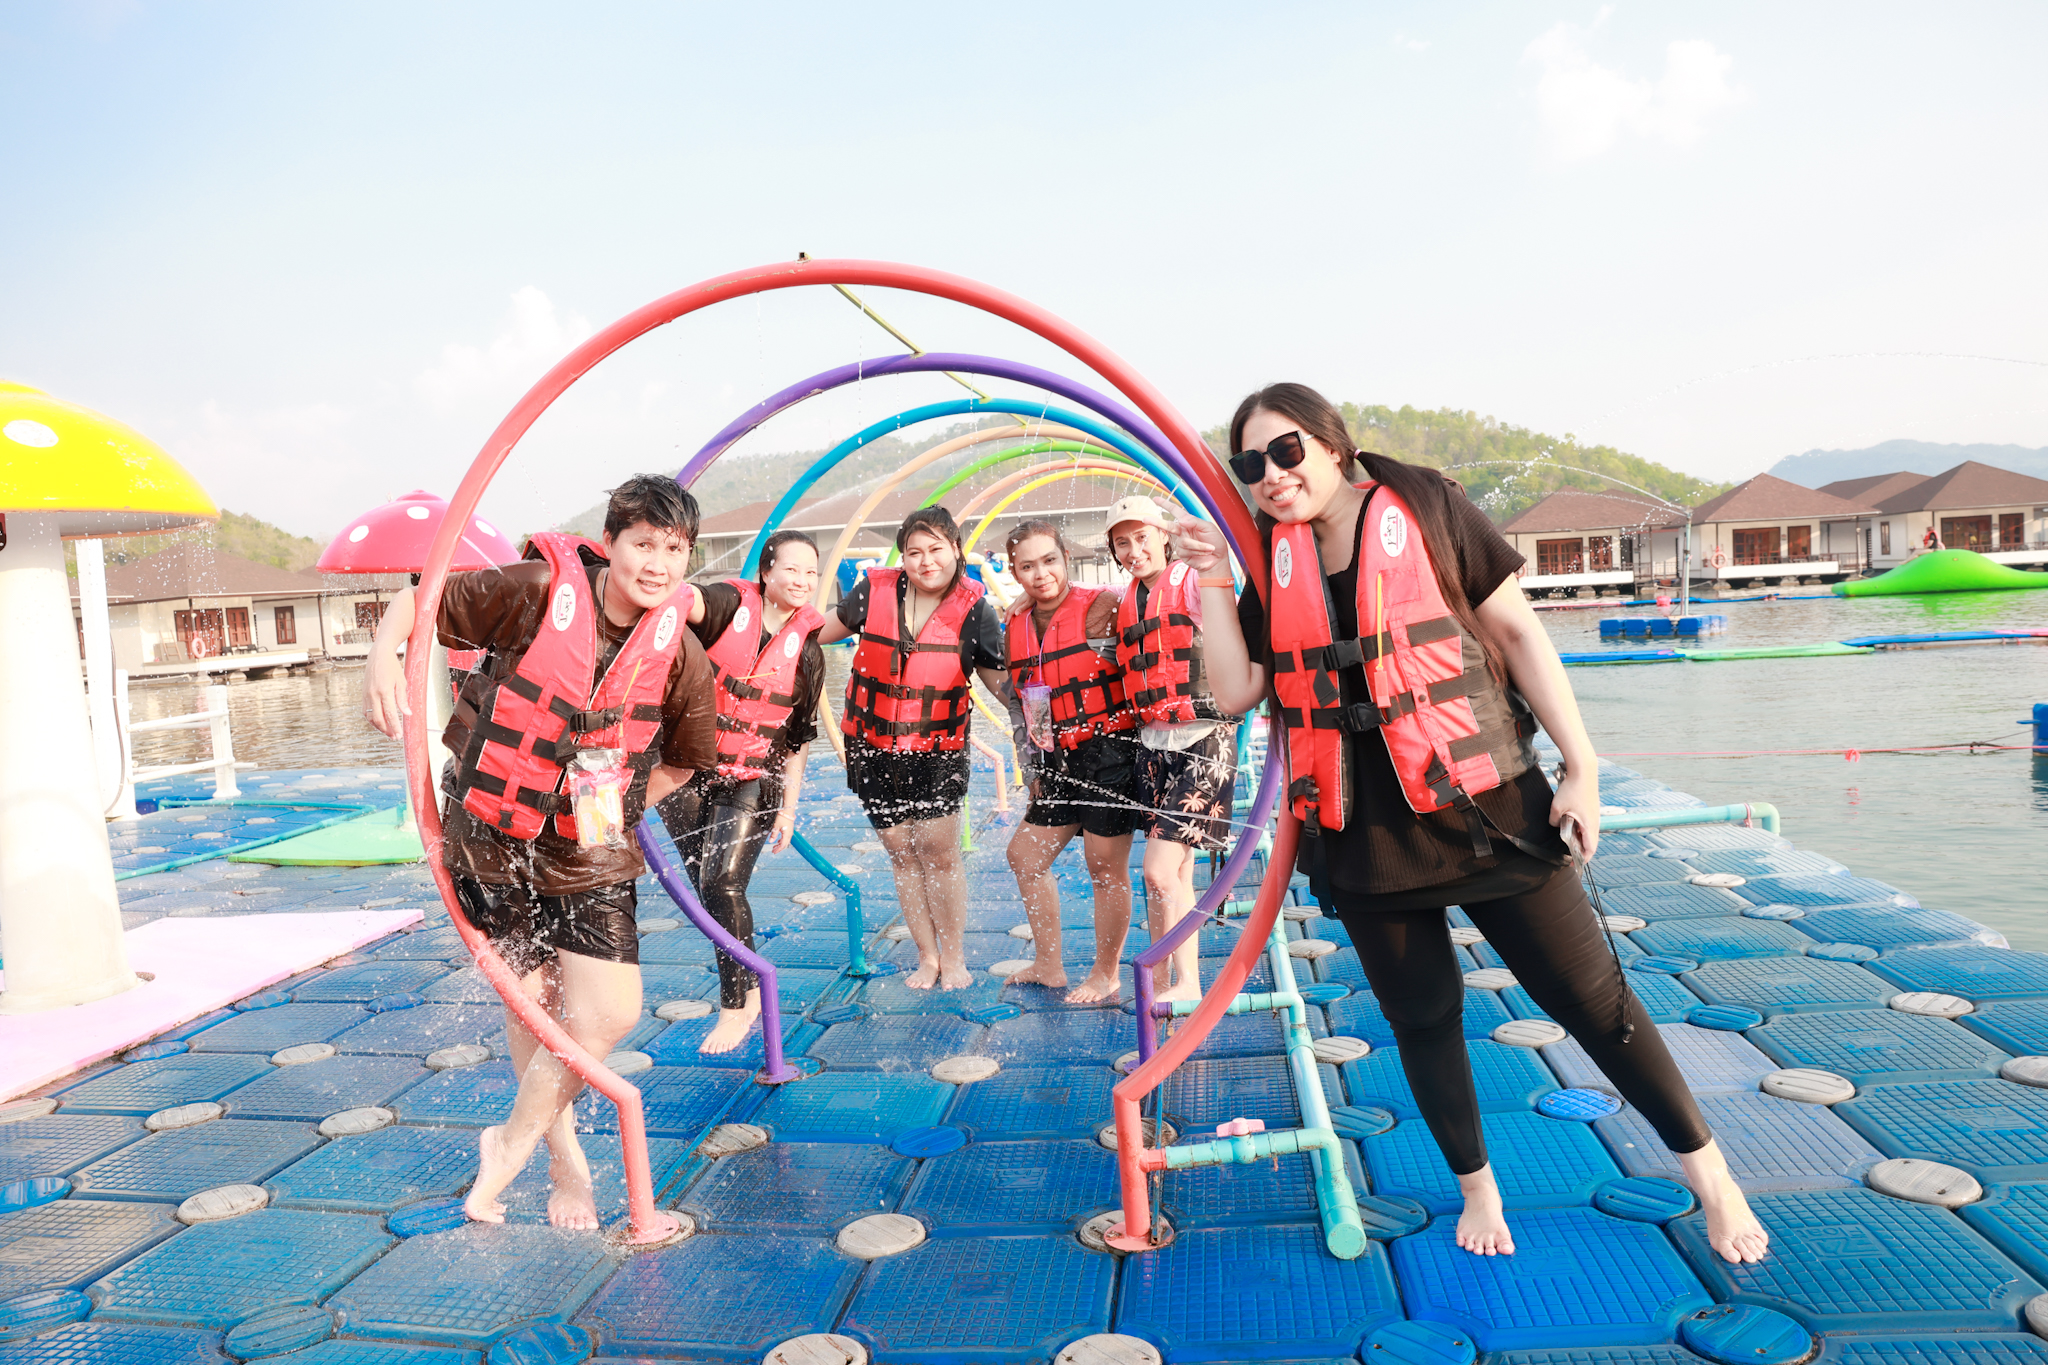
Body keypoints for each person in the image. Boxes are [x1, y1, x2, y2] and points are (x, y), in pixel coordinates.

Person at [1176, 382, 1767, 1265]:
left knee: (1595, 1003)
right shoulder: (1271, 558)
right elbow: (1234, 692)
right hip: (1364, 834)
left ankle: (1711, 1175)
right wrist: (1215, 585)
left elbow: (1519, 637)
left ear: (1333, 444)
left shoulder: (1427, 505)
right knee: (1424, 1020)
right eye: (1251, 462)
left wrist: (1582, 768)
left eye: (1288, 450)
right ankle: (1478, 1187)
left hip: (1487, 807)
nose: (1272, 474)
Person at [363, 474, 714, 1229]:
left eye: (673, 550)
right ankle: (564, 1159)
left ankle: (510, 1142)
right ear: (610, 542)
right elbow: (418, 602)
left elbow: (687, 760)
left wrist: (618, 807)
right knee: (534, 1007)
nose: (657, 564)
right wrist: (383, 658)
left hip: (589, 849)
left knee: (608, 1012)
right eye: (643, 544)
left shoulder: (681, 651)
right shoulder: (535, 592)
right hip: (491, 835)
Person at [817, 507, 1009, 990]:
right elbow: (815, 635)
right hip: (871, 746)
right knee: (901, 853)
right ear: (902, 557)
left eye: (936, 549)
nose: (926, 561)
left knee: (940, 854)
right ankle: (927, 956)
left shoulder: (977, 612)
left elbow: (1002, 688)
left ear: (956, 550)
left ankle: (954, 955)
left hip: (937, 751)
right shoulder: (872, 593)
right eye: (914, 552)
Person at [657, 528, 827, 1054]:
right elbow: (685, 598)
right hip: (685, 772)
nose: (801, 580)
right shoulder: (727, 606)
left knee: (722, 884)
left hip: (755, 779)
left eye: (811, 573)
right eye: (791, 569)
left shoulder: (808, 654)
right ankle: (747, 987)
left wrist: (789, 811)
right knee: (707, 891)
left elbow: (796, 743)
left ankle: (738, 1005)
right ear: (766, 572)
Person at [998, 520, 1141, 1003]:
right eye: (1027, 567)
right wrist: (1032, 767)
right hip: (1056, 761)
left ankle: (1106, 973)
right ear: (1014, 572)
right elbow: (1021, 704)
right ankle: (1049, 964)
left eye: (1049, 561)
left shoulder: (1106, 605)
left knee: (1104, 867)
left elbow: (1153, 601)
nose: (1041, 574)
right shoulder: (1016, 624)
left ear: (1065, 558)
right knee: (1024, 856)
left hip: (1110, 754)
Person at [1107, 495, 1241, 1006]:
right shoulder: (1123, 599)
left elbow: (1226, 596)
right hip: (1154, 745)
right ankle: (1176, 981)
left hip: (1204, 740)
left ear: (1164, 536)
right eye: (1123, 543)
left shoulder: (1188, 580)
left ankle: (1181, 981)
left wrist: (1208, 550)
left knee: (1158, 870)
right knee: (1173, 874)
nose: (1134, 551)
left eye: (1142, 537)